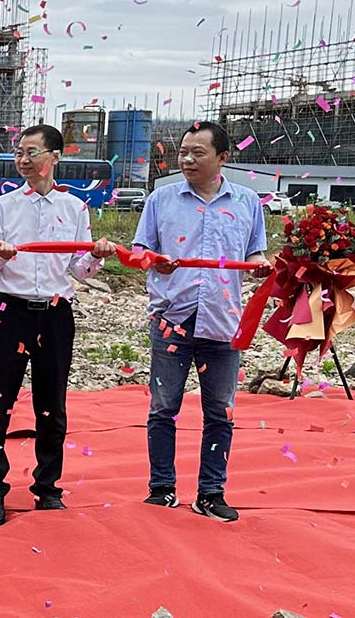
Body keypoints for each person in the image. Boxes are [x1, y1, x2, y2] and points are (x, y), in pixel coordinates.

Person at [0, 124, 116, 526]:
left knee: (51, 402)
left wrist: (97, 255)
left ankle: (48, 487)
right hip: (10, 311)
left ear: (55, 157)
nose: (23, 159)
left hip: (55, 313)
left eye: (31, 152)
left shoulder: (74, 208)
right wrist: (0, 256)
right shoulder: (2, 207)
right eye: (19, 152)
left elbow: (79, 270)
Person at [133, 120, 268, 523]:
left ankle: (211, 492)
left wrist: (261, 266)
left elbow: (255, 252)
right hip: (172, 317)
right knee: (163, 407)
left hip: (223, 320)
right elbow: (140, 249)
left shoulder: (247, 202)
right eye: (183, 153)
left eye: (198, 153)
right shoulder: (162, 199)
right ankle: (161, 488)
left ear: (223, 157)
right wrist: (154, 261)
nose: (187, 160)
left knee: (220, 411)